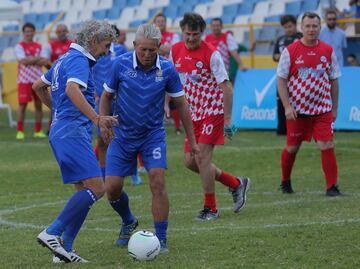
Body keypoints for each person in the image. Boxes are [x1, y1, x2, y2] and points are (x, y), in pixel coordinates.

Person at [100, 24, 199, 252]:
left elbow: (181, 105)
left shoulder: (167, 69)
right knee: (112, 188)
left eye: (151, 51)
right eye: (142, 50)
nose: (146, 55)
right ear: (135, 46)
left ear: (159, 48)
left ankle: (161, 239)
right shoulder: (120, 64)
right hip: (122, 135)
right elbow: (106, 96)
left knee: (157, 180)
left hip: (152, 135)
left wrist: (192, 141)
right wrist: (103, 121)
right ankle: (128, 221)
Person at [32, 20, 118, 263]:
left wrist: (58, 112)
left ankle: (65, 250)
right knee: (98, 188)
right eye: (106, 45)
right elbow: (72, 90)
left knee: (84, 191)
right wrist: (97, 118)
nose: (107, 51)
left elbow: (38, 86)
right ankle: (52, 232)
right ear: (93, 41)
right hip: (72, 133)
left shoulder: (62, 60)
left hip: (60, 132)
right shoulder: (79, 60)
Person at [171, 12, 250, 221]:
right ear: (182, 32)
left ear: (201, 33)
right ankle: (235, 183)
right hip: (192, 114)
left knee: (202, 158)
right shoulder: (175, 51)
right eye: (187, 34)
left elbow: (227, 87)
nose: (190, 38)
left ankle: (211, 209)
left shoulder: (212, 54)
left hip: (212, 111)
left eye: (195, 34)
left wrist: (227, 118)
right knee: (189, 162)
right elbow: (170, 81)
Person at [277, 12, 342, 196]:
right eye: (308, 26)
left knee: (327, 145)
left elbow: (334, 80)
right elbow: (281, 80)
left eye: (315, 26)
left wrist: (334, 108)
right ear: (301, 28)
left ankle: (332, 187)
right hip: (298, 112)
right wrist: (287, 107)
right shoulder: (290, 51)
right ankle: (285, 182)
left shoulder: (328, 51)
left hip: (322, 111)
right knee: (292, 148)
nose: (311, 29)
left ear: (320, 28)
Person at [92, 25, 142, 186]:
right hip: (102, 100)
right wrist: (93, 91)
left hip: (121, 100)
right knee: (102, 138)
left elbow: (130, 70)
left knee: (127, 137)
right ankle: (103, 175)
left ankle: (133, 172)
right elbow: (90, 72)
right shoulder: (95, 53)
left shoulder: (120, 50)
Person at [15, 22, 48, 140]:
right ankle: (20, 131)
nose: (29, 33)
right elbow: (23, 61)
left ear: (34, 32)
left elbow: (44, 62)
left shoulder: (39, 46)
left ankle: (38, 131)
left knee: (39, 105)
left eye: (31, 31)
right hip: (23, 80)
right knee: (22, 105)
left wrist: (30, 60)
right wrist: (37, 58)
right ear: (23, 33)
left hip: (38, 80)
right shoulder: (19, 46)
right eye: (27, 31)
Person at [273, 15, 303, 136]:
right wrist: (284, 56)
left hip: (298, 76)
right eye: (285, 27)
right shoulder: (280, 39)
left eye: (290, 26)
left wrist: (286, 56)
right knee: (281, 102)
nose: (288, 29)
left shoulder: (301, 37)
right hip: (283, 77)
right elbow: (274, 56)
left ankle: (300, 128)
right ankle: (282, 129)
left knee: (299, 102)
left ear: (295, 25)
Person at [153, 13, 182, 135]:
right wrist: (162, 48)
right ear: (155, 23)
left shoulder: (173, 35)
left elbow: (172, 49)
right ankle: (156, 125)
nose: (161, 23)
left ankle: (177, 127)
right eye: (158, 21)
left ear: (166, 23)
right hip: (156, 69)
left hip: (170, 68)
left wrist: (158, 48)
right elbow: (158, 48)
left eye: (162, 21)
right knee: (155, 95)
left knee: (174, 96)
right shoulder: (152, 36)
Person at [43, 23, 73, 133]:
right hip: (56, 80)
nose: (62, 34)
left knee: (70, 103)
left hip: (70, 79)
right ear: (56, 33)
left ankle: (68, 126)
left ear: (67, 32)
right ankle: (51, 127)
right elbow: (45, 60)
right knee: (56, 103)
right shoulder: (51, 45)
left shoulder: (73, 45)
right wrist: (56, 71)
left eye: (64, 31)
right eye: (59, 32)